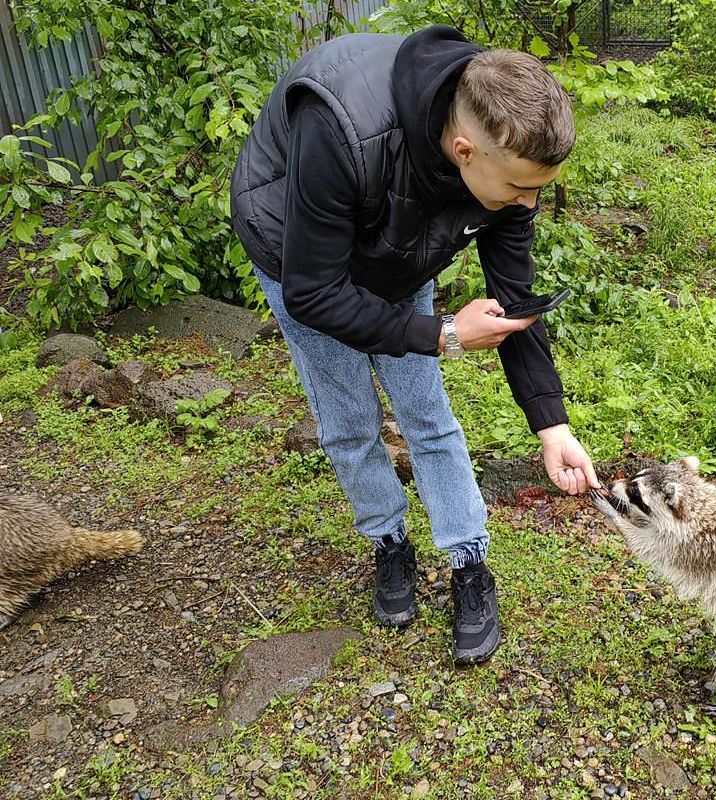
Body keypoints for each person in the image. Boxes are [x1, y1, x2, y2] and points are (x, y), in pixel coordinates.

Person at [229, 24, 601, 665]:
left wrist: (551, 423)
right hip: (300, 255)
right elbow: (314, 293)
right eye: (519, 188)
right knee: (349, 420)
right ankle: (389, 544)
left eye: (538, 187)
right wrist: (445, 334)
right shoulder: (340, 123)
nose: (530, 203)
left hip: (398, 245)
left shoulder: (502, 160)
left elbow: (515, 300)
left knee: (425, 412)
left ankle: (467, 561)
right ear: (464, 151)